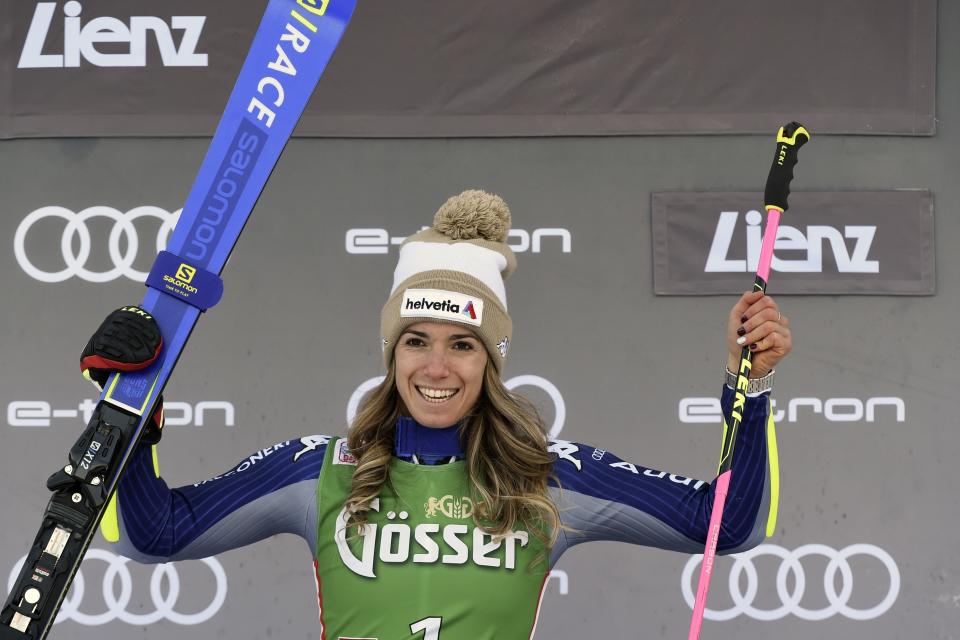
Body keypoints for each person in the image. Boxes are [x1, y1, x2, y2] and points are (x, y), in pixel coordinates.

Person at [82, 190, 791, 639]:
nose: (437, 367)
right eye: (415, 342)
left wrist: (749, 390)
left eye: (463, 345)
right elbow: (155, 536)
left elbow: (729, 526)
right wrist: (129, 414)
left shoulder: (548, 478)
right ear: (392, 355)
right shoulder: (319, 470)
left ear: (491, 361)